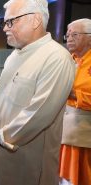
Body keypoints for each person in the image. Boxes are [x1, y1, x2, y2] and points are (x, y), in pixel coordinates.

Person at [0, 0, 76, 184]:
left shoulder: (57, 58)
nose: (4, 29)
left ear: (35, 20)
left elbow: (39, 114)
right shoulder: (14, 54)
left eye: (10, 22)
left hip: (28, 157)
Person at [59, 18, 91, 185]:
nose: (69, 38)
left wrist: (73, 94)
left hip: (84, 135)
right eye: (68, 34)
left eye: (75, 34)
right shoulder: (66, 60)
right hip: (63, 131)